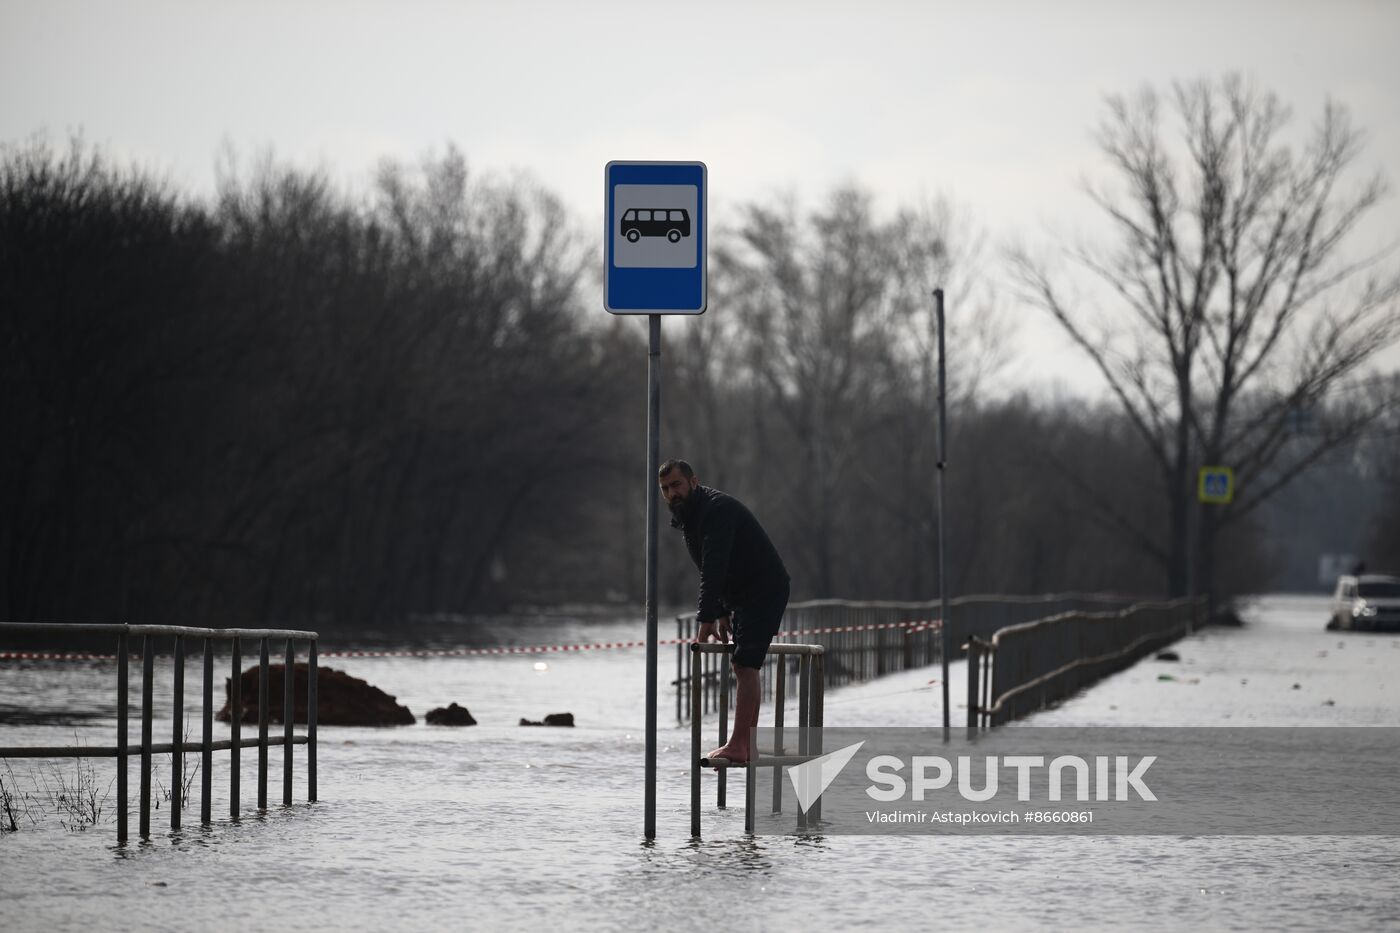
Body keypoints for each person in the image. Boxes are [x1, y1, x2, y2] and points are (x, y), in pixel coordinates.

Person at [659, 458, 789, 764]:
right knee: (742, 665)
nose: (671, 494)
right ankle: (743, 743)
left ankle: (740, 745)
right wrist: (719, 611)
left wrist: (705, 616)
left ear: (693, 481)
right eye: (665, 489)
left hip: (764, 589)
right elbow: (707, 564)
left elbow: (714, 567)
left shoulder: (717, 510)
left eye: (676, 485)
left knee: (746, 663)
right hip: (740, 594)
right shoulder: (689, 514)